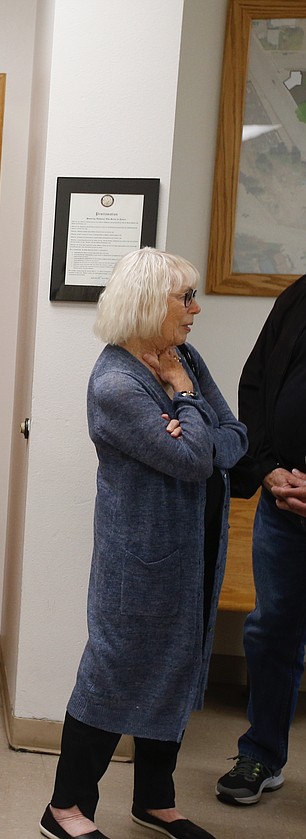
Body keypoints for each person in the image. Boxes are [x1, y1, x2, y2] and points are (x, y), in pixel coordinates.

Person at [39, 248, 246, 839]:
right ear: (152, 303)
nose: (196, 309)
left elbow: (232, 439)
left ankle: (155, 799)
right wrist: (186, 399)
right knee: (114, 674)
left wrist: (195, 413)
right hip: (141, 562)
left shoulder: (183, 356)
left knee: (177, 667)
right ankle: (65, 808)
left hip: (195, 552)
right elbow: (193, 460)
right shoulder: (115, 383)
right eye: (186, 298)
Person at [215, 272, 306, 806]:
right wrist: (268, 468)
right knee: (271, 631)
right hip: (283, 504)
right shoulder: (298, 296)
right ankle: (262, 755)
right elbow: (256, 383)